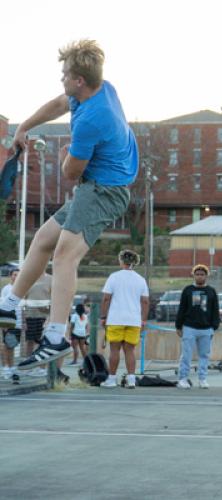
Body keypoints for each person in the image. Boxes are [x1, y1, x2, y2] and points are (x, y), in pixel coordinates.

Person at [0, 39, 138, 370]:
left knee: (64, 255)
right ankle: (9, 302)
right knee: (43, 240)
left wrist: (64, 158)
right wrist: (24, 126)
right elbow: (60, 102)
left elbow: (71, 174)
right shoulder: (101, 88)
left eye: (65, 75)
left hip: (105, 191)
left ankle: (55, 336)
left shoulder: (93, 118)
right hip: (98, 185)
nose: (62, 79)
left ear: (79, 80)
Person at [99, 250, 149, 389]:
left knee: (114, 350)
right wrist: (143, 320)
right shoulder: (140, 279)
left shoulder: (114, 277)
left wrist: (103, 316)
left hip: (115, 319)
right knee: (130, 350)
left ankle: (111, 379)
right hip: (134, 320)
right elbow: (145, 301)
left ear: (121, 261)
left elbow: (106, 298)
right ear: (135, 262)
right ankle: (131, 379)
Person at [175, 264, 220, 389]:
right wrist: (178, 326)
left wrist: (214, 326)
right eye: (197, 274)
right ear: (193, 275)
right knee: (186, 355)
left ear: (206, 276)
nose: (200, 277)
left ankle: (202, 379)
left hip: (206, 329)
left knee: (204, 355)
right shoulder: (188, 290)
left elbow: (215, 310)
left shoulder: (211, 291)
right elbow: (182, 308)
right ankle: (183, 379)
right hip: (189, 327)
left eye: (202, 274)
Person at [23, 271, 52, 377]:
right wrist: (23, 319)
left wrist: (48, 312)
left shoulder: (51, 279)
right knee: (29, 342)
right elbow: (23, 300)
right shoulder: (28, 278)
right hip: (30, 315)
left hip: (45, 317)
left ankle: (41, 368)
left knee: (43, 343)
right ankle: (28, 367)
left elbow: (54, 298)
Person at [1, 269, 21, 380]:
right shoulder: (6, 289)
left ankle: (12, 366)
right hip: (8, 321)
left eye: (19, 275)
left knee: (12, 345)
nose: (16, 276)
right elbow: (3, 306)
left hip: (18, 322)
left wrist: (23, 322)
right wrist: (4, 323)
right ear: (10, 276)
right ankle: (5, 367)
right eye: (14, 274)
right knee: (6, 345)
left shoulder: (22, 289)